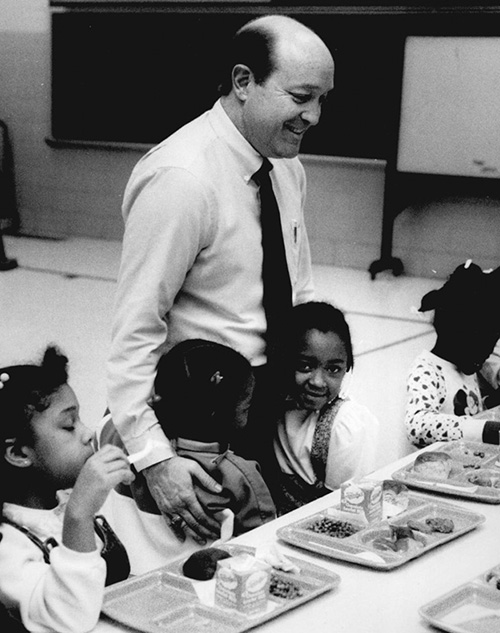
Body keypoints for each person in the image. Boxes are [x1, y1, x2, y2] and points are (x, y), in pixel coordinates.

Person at [107, 15, 334, 542]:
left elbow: (298, 293)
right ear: (242, 82)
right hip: (198, 420)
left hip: (268, 401)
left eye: (323, 99)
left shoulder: (285, 167)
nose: (315, 116)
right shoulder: (182, 179)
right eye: (302, 96)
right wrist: (153, 459)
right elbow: (134, 331)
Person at [100, 339, 276, 574]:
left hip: (128, 576)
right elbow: (263, 539)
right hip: (199, 586)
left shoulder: (115, 438)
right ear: (220, 415)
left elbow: (115, 415)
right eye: (245, 408)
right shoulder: (238, 474)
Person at [0, 346, 134, 633]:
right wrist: (79, 516)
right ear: (19, 453)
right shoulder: (8, 547)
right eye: (69, 425)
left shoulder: (66, 499)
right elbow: (70, 617)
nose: (88, 433)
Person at [271, 301, 380, 515]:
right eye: (305, 366)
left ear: (347, 367)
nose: (318, 382)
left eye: (333, 369)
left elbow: (352, 511)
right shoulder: (272, 402)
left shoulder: (345, 425)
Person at [405, 261, 500, 448]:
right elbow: (417, 426)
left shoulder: (468, 370)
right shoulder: (427, 370)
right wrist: (485, 429)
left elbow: (466, 413)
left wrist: (490, 405)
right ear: (458, 332)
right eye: (484, 344)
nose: (489, 353)